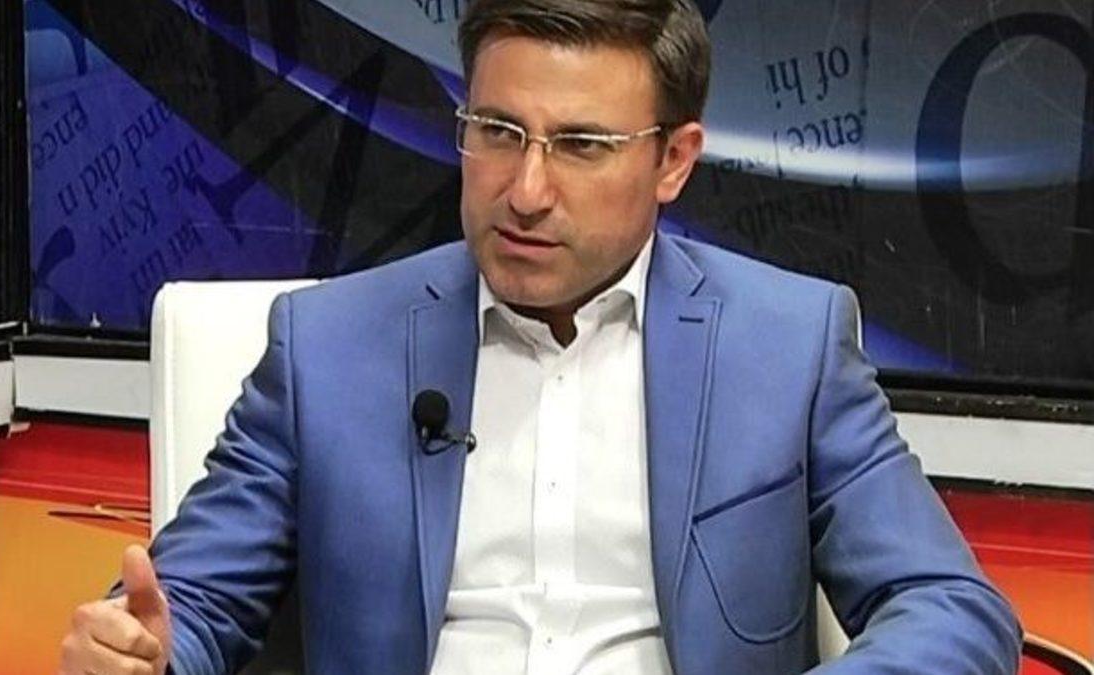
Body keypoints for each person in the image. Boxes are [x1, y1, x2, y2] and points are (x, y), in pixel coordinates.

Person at [60, 1, 1022, 673]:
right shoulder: (324, 348)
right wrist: (143, 653)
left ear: (674, 160)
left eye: (582, 145)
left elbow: (954, 609)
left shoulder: (789, 345)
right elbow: (191, 602)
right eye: (497, 131)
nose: (525, 190)